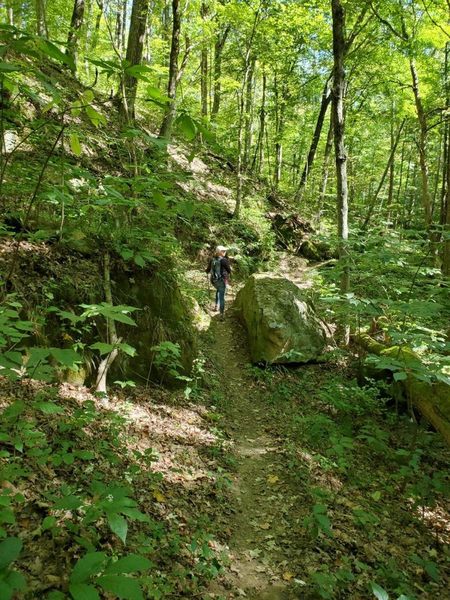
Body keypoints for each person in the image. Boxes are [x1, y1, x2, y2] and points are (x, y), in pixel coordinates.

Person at [206, 245, 231, 317]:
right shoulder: (224, 260)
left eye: (225, 251)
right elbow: (229, 270)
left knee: (218, 290)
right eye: (223, 251)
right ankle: (222, 314)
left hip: (213, 281)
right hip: (222, 281)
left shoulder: (212, 259)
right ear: (219, 252)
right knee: (222, 297)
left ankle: (216, 305)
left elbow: (207, 270)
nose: (225, 252)